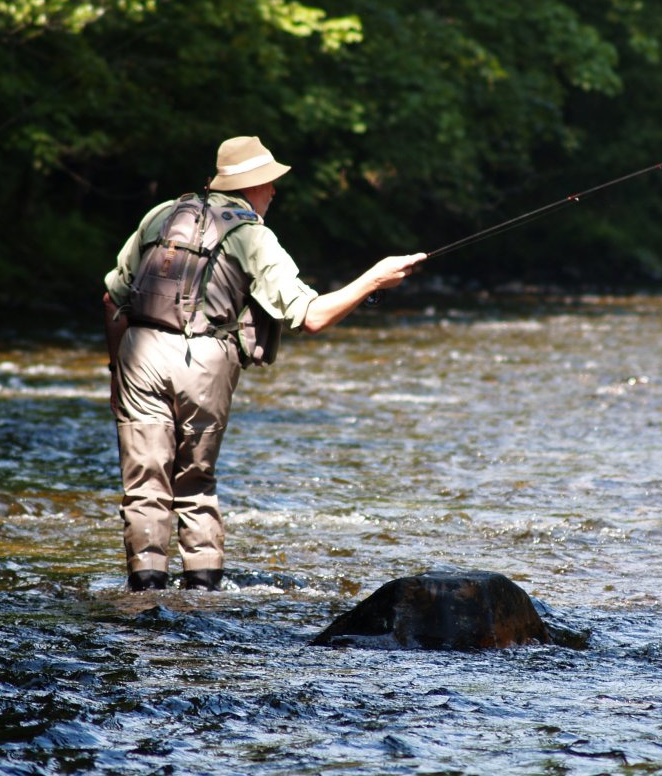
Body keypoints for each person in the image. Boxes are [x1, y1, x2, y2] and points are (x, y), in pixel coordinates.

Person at [103, 136, 425, 592]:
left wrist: (117, 372)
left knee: (144, 486)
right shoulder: (251, 234)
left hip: (138, 351)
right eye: (269, 183)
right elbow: (311, 316)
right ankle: (201, 597)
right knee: (194, 486)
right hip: (205, 360)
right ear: (250, 186)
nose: (273, 191)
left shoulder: (160, 215)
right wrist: (374, 278)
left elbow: (111, 298)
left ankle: (145, 593)